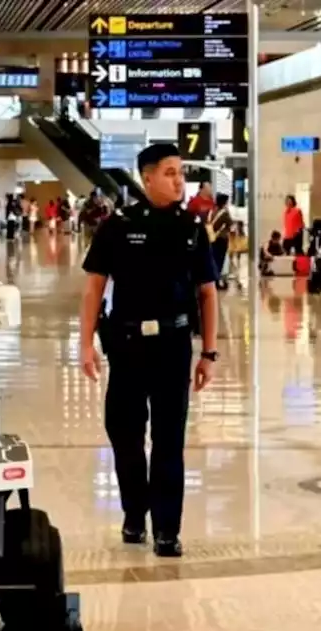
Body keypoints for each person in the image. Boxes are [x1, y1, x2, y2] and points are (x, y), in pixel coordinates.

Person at [77, 143, 219, 558]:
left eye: (182, 173)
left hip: (174, 346)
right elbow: (94, 288)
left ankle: (167, 530)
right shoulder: (118, 225)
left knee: (169, 439)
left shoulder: (191, 227)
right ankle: (135, 513)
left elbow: (207, 294)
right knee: (125, 434)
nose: (180, 181)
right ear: (148, 177)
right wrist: (85, 344)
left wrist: (208, 354)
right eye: (171, 173)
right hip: (126, 345)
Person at [208, 193, 233, 289]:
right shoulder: (224, 213)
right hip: (221, 240)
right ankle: (216, 282)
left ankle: (213, 281)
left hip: (212, 239)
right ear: (224, 202)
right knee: (219, 261)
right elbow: (231, 225)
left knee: (213, 260)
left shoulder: (211, 212)